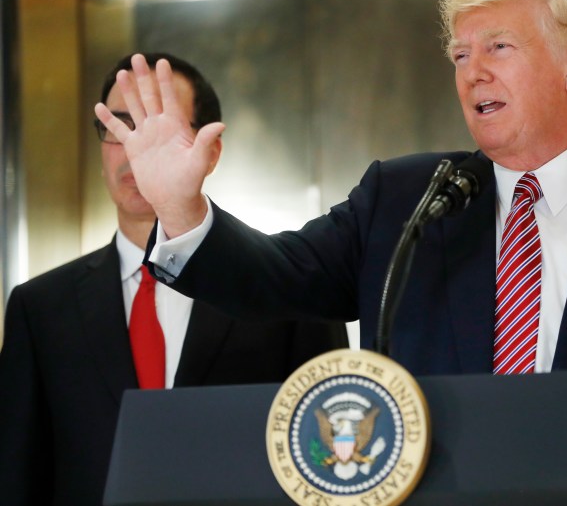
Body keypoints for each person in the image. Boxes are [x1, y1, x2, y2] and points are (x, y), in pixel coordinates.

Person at [94, 0, 567, 470]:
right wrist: (180, 207)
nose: (471, 72)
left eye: (497, 49)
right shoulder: (404, 197)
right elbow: (275, 278)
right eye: (459, 55)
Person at [0, 52, 348, 506]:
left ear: (211, 152)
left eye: (158, 125)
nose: (133, 149)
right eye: (119, 127)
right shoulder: (41, 307)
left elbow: (331, 461)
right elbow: (16, 476)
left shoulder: (284, 285)